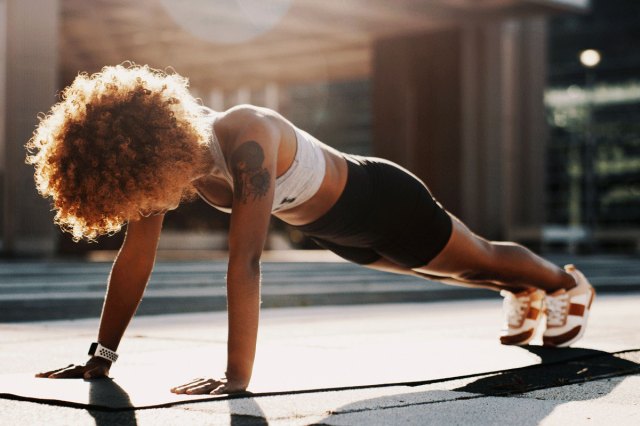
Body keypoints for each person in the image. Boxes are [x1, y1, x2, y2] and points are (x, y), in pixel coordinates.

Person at [29, 64, 595, 395]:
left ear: (151, 141)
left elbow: (245, 262)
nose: (140, 200)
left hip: (382, 201)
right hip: (334, 231)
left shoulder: (244, 133)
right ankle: (520, 290)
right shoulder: (166, 172)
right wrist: (101, 357)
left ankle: (564, 284)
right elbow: (135, 258)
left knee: (478, 256)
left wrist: (235, 378)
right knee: (445, 272)